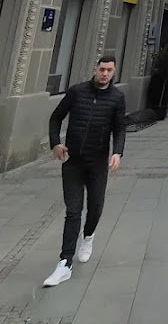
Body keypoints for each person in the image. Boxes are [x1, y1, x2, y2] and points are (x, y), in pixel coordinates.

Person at [43, 54, 126, 287]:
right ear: (95, 69)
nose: (105, 74)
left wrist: (117, 152)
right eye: (102, 69)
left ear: (114, 71)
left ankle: (88, 236)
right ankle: (64, 263)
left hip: (98, 163)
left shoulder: (117, 98)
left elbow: (120, 127)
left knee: (96, 207)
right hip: (73, 161)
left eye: (110, 70)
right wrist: (55, 143)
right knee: (73, 210)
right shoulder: (77, 92)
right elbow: (55, 118)